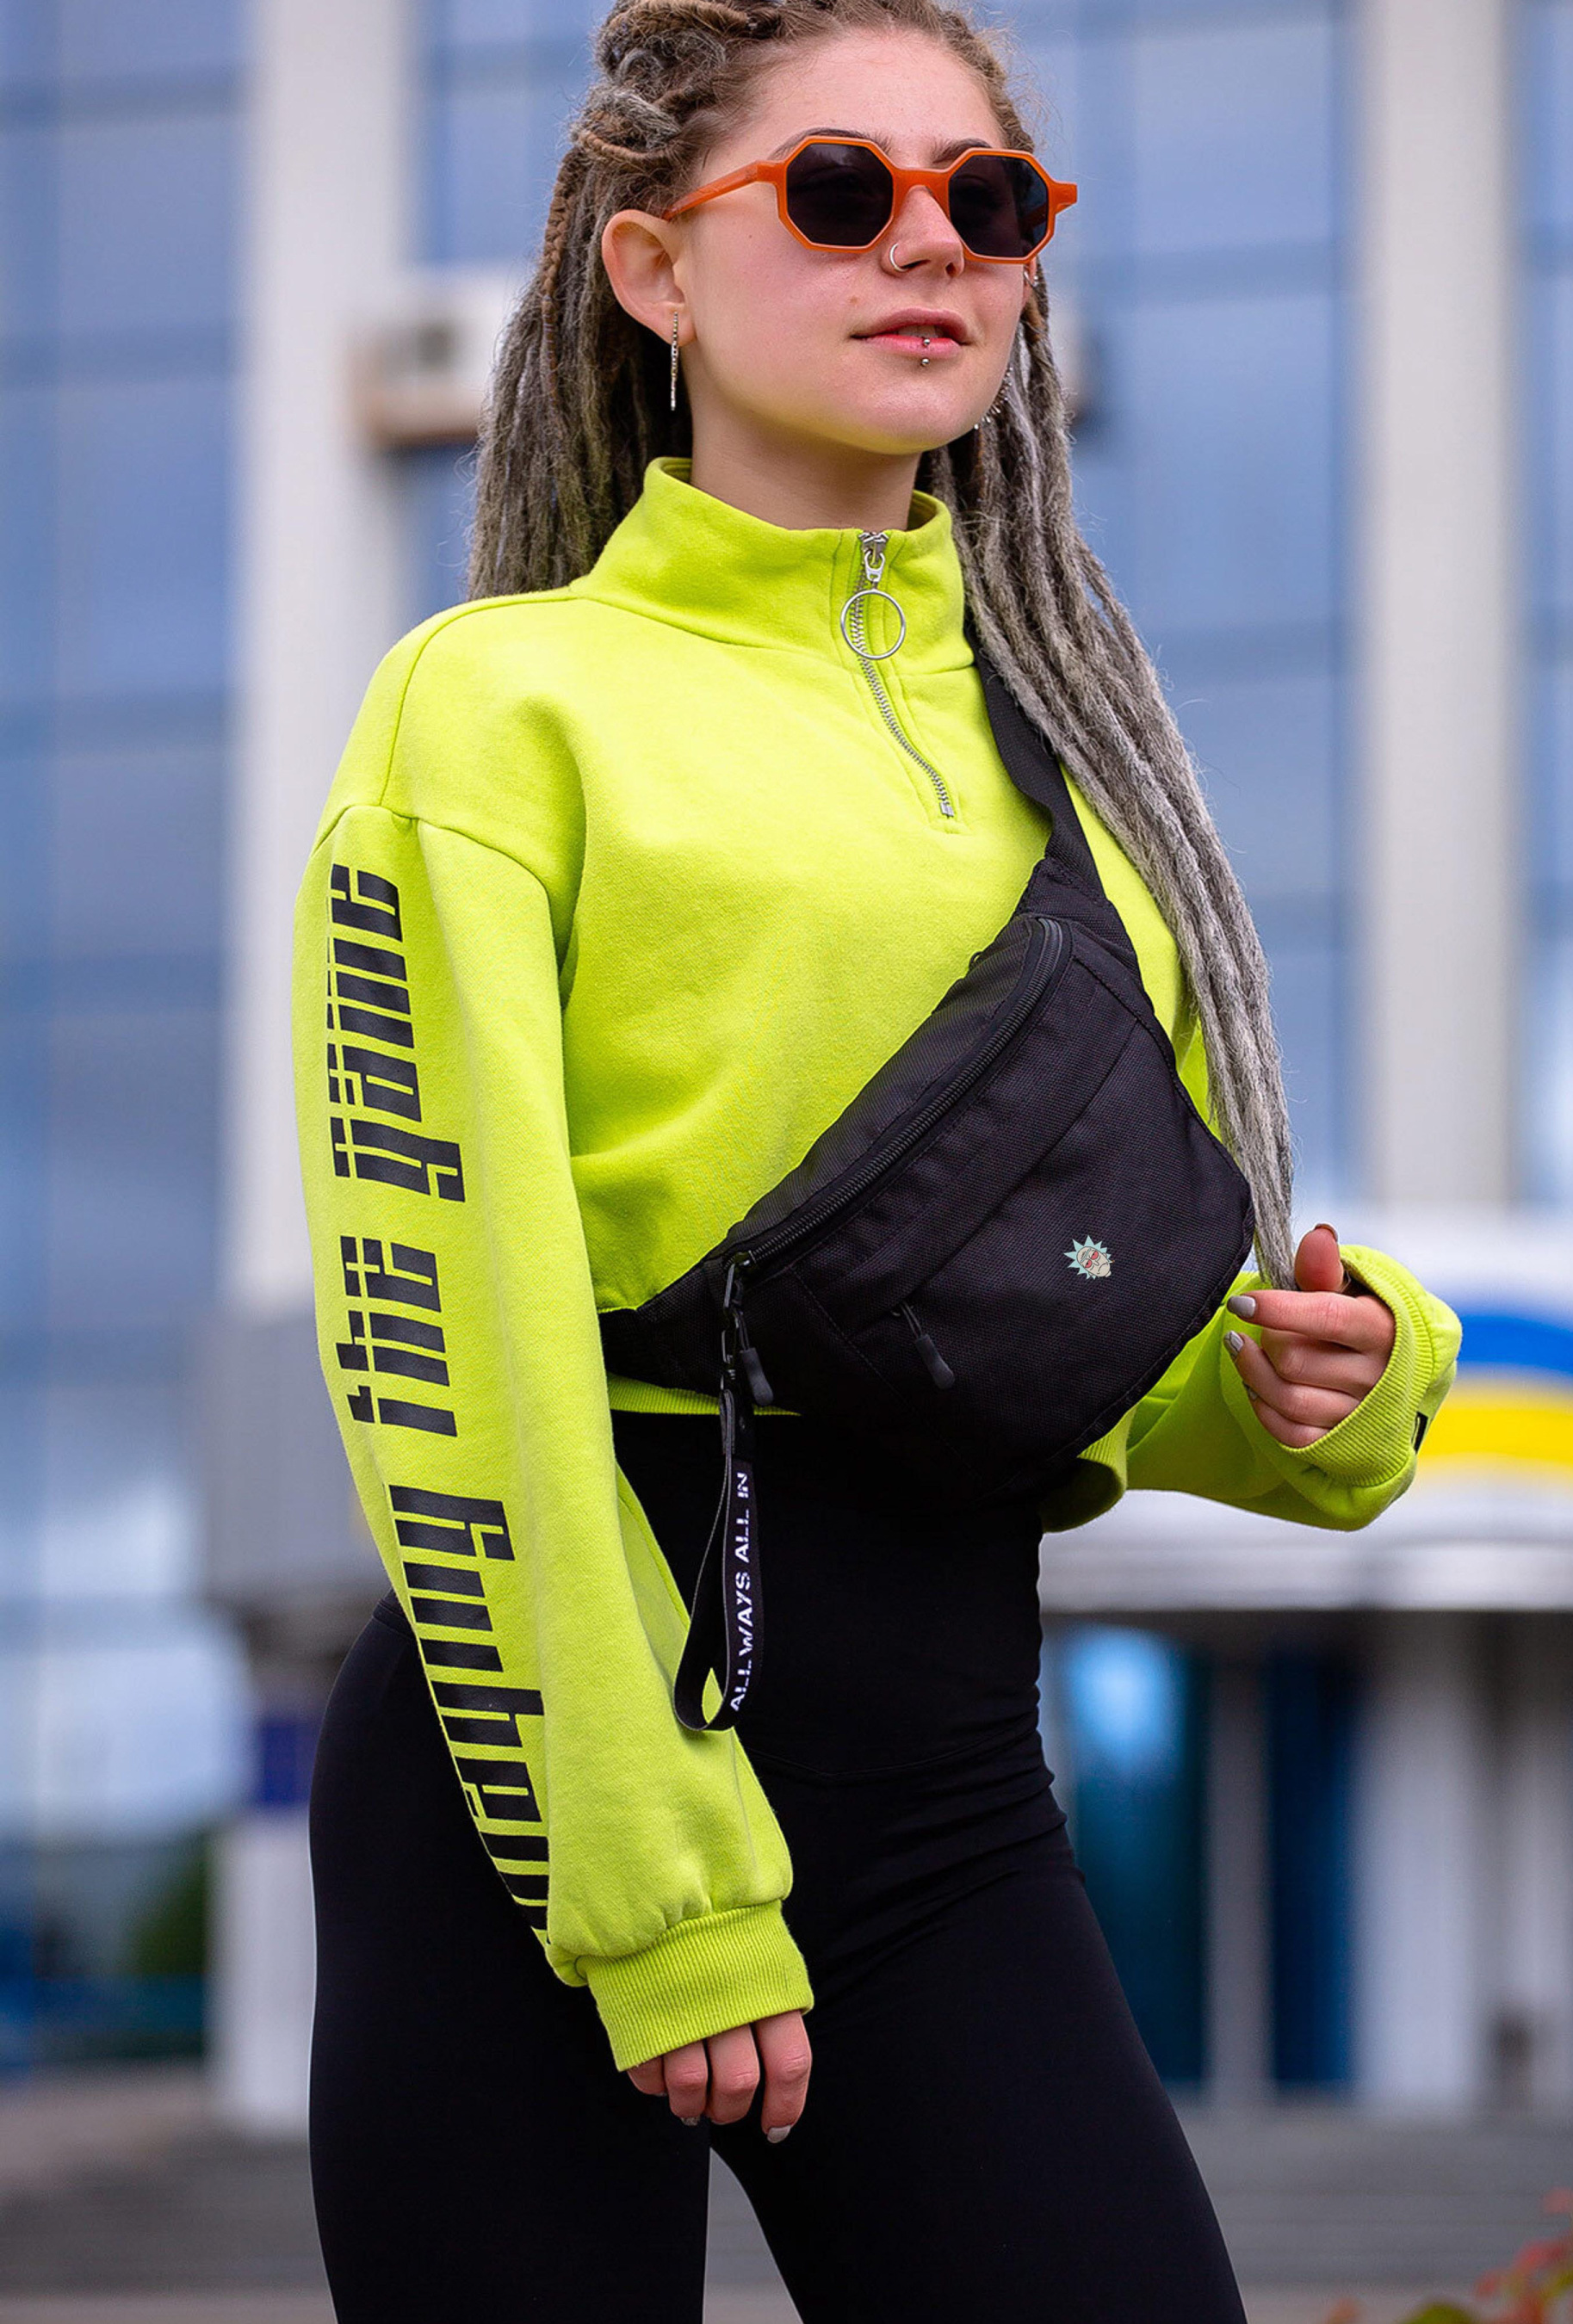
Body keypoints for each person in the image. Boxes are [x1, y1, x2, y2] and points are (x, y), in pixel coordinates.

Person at [294, 2, 1460, 2317]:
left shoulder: (1074, 758)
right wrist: (650, 1884)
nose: (929, 244)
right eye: (840, 191)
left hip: (939, 1782)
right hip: (547, 1786)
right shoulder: (497, 702)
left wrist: (1316, 1382)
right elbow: (448, 1333)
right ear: (652, 268)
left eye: (986, 200)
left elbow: (1038, 1332)